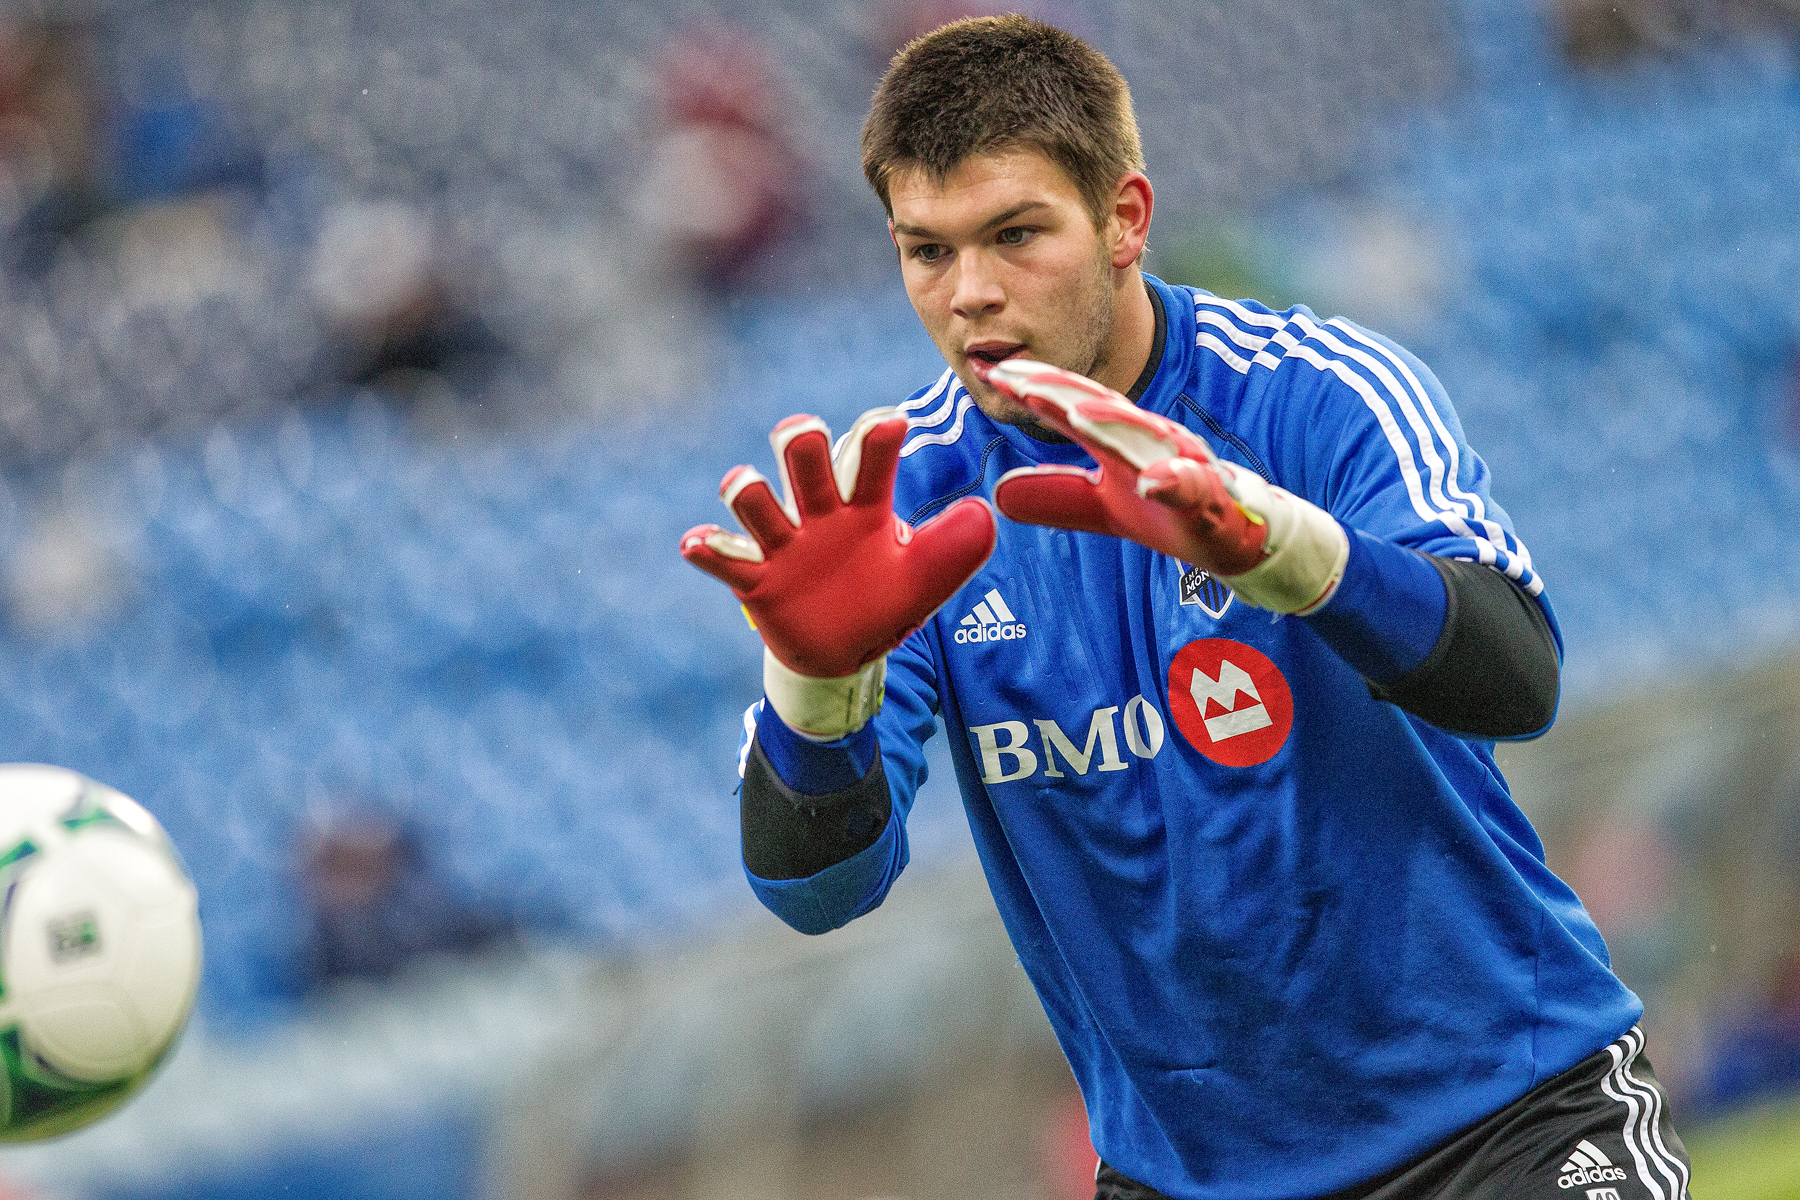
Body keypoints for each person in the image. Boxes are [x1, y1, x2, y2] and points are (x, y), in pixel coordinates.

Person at [681, 16, 1690, 1200]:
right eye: (927, 251)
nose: (972, 294)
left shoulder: (1316, 397)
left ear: (1124, 218)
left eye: (1016, 234)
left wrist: (1291, 555)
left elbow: (1517, 682)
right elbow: (816, 890)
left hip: (1503, 1121)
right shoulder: (898, 513)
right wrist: (814, 687)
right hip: (1193, 1181)